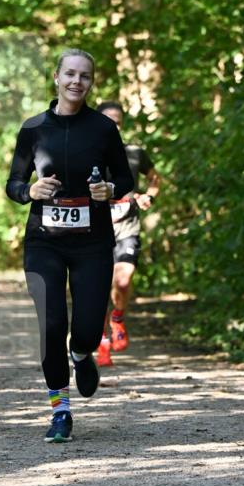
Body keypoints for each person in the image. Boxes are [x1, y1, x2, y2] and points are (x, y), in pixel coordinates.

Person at [6, 49, 133, 443]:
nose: (77, 82)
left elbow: (125, 179)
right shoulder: (33, 128)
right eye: (71, 75)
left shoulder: (102, 129)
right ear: (56, 77)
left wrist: (109, 189)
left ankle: (81, 354)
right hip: (44, 243)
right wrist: (31, 190)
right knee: (52, 324)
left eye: (85, 77)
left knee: (86, 327)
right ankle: (59, 410)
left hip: (92, 242)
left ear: (92, 83)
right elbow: (12, 184)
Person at [94, 100, 161, 366]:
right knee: (98, 288)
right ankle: (101, 341)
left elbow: (154, 178)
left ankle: (118, 319)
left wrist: (149, 197)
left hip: (127, 225)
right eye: (108, 120)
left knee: (122, 280)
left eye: (118, 121)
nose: (114, 125)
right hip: (94, 229)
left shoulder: (134, 153)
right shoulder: (87, 154)